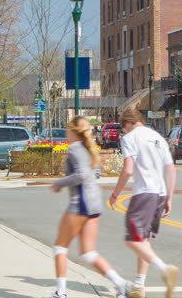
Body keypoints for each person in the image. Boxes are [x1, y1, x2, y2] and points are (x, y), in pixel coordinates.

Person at [50, 116, 131, 298]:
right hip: (94, 204)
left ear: (73, 131)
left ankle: (60, 293)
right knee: (88, 252)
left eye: (68, 129)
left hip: (80, 203)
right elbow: (95, 173)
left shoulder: (74, 148)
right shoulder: (90, 149)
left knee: (60, 248)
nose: (66, 132)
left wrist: (60, 183)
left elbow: (81, 174)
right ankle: (121, 284)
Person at [109, 108, 179, 298]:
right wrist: (169, 197)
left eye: (124, 129)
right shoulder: (157, 137)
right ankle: (139, 285)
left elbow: (128, 170)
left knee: (131, 239)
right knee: (143, 241)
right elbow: (171, 169)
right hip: (160, 194)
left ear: (127, 124)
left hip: (143, 193)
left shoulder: (130, 138)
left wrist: (115, 194)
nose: (124, 132)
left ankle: (165, 270)